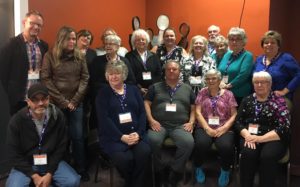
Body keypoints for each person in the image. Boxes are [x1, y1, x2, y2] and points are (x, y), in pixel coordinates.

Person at [5, 83, 80, 187]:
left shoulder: (58, 116)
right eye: (35, 99)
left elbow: (61, 147)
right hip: (27, 163)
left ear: (48, 99)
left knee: (73, 181)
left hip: (50, 161)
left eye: (44, 99)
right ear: (28, 102)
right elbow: (13, 153)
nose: (40, 103)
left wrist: (50, 173)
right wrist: (34, 175)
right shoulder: (17, 121)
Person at [41, 26, 90, 181]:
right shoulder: (50, 55)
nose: (72, 41)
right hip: (56, 103)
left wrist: (75, 100)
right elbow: (46, 79)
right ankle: (62, 167)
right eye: (69, 38)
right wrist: (62, 101)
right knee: (59, 137)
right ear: (61, 39)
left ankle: (81, 168)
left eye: (74, 38)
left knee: (78, 136)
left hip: (76, 103)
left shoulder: (79, 56)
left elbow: (85, 77)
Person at [95, 60, 151, 187]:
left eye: (117, 73)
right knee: (125, 159)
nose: (114, 76)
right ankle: (130, 182)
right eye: (110, 74)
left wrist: (138, 133)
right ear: (107, 76)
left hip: (136, 134)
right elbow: (104, 120)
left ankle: (137, 183)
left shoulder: (133, 90)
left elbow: (142, 113)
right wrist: (121, 137)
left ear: (124, 74)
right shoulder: (102, 93)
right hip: (113, 138)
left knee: (144, 153)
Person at [144, 60, 195, 186]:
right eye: (168, 69)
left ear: (179, 72)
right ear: (164, 71)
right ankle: (159, 170)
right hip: (159, 124)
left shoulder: (187, 88)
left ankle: (175, 171)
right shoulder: (154, 87)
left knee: (188, 143)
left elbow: (194, 107)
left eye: (174, 69)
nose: (171, 71)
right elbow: (146, 103)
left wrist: (191, 122)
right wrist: (151, 120)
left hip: (180, 125)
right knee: (151, 141)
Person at [235, 71, 290, 187]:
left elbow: (284, 126)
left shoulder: (278, 100)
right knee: (248, 154)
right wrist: (247, 136)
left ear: (270, 84)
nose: (259, 85)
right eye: (256, 82)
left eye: (263, 82)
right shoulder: (247, 100)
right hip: (249, 136)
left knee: (268, 156)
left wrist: (259, 139)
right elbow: (238, 122)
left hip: (273, 137)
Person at [193, 69, 237, 187]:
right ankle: (198, 167)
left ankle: (225, 170)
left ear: (219, 80)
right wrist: (207, 128)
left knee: (226, 146)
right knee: (201, 144)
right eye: (208, 78)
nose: (211, 81)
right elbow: (197, 112)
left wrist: (225, 128)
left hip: (224, 127)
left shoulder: (229, 94)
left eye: (214, 78)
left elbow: (234, 114)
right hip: (204, 126)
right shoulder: (202, 92)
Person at [0, 10, 48, 115]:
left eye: (39, 25)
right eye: (32, 23)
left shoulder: (44, 46)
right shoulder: (11, 44)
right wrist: (12, 93)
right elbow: (3, 72)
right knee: (19, 129)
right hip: (19, 100)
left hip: (38, 100)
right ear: (24, 23)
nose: (36, 27)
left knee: (37, 129)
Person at [89, 34, 136, 132]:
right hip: (104, 99)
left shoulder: (125, 61)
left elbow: (131, 81)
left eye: (111, 44)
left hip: (122, 99)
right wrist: (112, 89)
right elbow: (93, 82)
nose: (108, 46)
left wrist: (120, 90)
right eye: (106, 44)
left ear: (118, 46)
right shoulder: (97, 61)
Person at [253, 30, 300, 101]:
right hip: (260, 97)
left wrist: (284, 91)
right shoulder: (259, 59)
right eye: (266, 43)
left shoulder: (286, 58)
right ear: (263, 45)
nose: (269, 44)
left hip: (279, 99)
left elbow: (298, 75)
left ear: (278, 46)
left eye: (273, 43)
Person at [218, 27, 254, 105]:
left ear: (243, 41)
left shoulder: (247, 55)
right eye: (231, 39)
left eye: (238, 39)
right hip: (224, 92)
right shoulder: (227, 54)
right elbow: (219, 70)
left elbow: (243, 75)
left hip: (239, 94)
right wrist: (220, 82)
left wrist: (228, 86)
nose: (234, 42)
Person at [125, 29, 162, 96]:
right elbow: (129, 75)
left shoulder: (154, 56)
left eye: (143, 39)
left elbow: (159, 73)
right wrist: (139, 88)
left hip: (153, 91)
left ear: (147, 41)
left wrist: (152, 87)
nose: (141, 41)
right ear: (134, 42)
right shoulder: (128, 56)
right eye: (138, 40)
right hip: (136, 91)